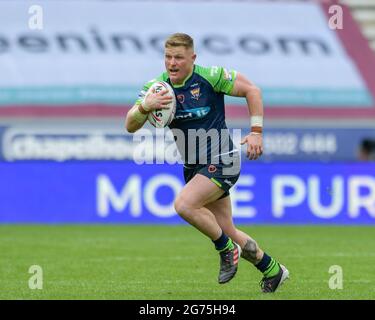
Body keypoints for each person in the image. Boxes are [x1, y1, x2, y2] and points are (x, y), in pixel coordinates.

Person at [125, 33, 289, 293]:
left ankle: (225, 250)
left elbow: (251, 90)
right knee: (227, 229)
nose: (172, 63)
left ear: (193, 58)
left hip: (223, 160)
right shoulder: (157, 88)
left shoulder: (210, 76)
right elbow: (130, 125)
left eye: (178, 57)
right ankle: (272, 270)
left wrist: (256, 131)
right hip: (193, 166)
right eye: (168, 57)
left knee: (184, 204)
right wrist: (145, 106)